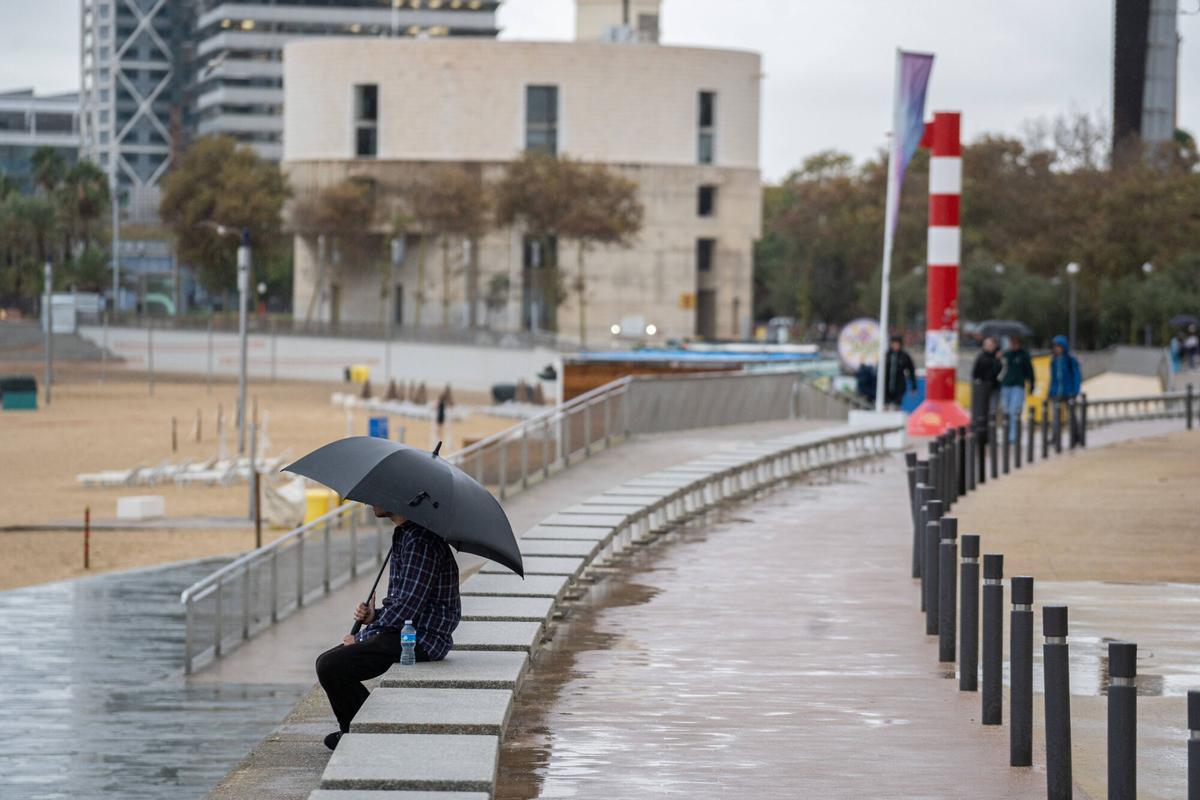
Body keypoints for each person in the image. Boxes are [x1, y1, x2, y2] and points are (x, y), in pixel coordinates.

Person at [315, 507, 461, 751]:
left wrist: (362, 637)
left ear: (397, 498)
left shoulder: (420, 541)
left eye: (377, 496)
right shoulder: (405, 534)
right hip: (407, 631)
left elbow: (408, 606)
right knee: (329, 661)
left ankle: (360, 732)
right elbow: (402, 605)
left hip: (422, 639)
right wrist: (374, 616)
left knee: (331, 665)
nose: (370, 502)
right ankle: (361, 729)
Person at [999, 335, 1035, 441]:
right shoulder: (1005, 354)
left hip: (1018, 386)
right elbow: (999, 369)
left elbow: (1029, 371)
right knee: (1006, 411)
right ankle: (1007, 433)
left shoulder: (1024, 355)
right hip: (1006, 386)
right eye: (1012, 342)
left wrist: (1032, 384)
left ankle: (1013, 436)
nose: (1013, 344)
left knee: (1013, 411)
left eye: (1015, 342)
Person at [1047, 334, 1082, 443]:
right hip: (1056, 392)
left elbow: (1076, 376)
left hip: (1069, 391)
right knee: (1056, 417)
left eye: (1059, 346)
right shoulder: (1053, 361)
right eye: (1055, 346)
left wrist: (1075, 390)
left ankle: (1076, 436)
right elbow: (1053, 378)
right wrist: (1051, 391)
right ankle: (1055, 437)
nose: (1057, 349)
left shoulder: (1071, 360)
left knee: (1071, 416)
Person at [883, 335, 916, 409]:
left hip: (899, 387)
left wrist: (914, 386)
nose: (895, 345)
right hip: (886, 387)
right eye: (894, 343)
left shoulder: (904, 356)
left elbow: (911, 370)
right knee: (886, 406)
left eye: (897, 344)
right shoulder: (886, 355)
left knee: (896, 407)